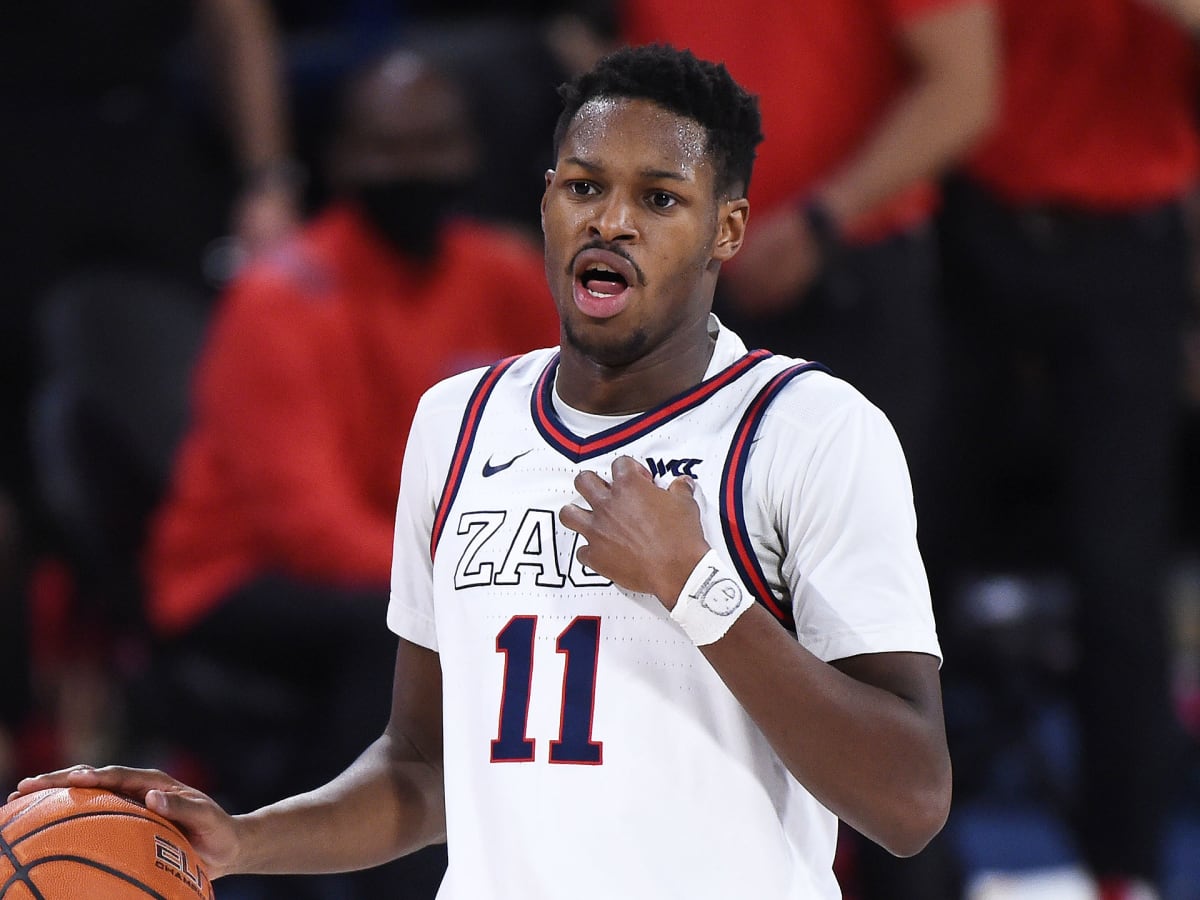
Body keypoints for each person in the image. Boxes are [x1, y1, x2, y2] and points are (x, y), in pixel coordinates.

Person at [12, 45, 951, 899]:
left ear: (727, 229)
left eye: (659, 199)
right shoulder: (457, 423)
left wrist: (698, 590)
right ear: (546, 200)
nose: (611, 221)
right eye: (584, 187)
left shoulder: (812, 432)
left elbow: (910, 802)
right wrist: (244, 840)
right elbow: (424, 769)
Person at [126, 44, 558, 900]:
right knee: (395, 634)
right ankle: (371, 881)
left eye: (435, 144)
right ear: (343, 160)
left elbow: (575, 446)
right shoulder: (282, 296)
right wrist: (468, 588)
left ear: (473, 152)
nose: (415, 169)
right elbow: (308, 528)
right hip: (233, 576)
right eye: (390, 148)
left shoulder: (506, 276)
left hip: (422, 566)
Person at [618, 4, 996, 896]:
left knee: (865, 617)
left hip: (849, 280)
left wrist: (822, 221)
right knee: (670, 606)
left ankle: (907, 880)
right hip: (687, 282)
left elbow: (965, 90)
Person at [935, 1, 1199, 896]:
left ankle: (1125, 869)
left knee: (1119, 577)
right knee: (908, 548)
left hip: (1128, 237)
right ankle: (887, 857)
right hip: (973, 222)